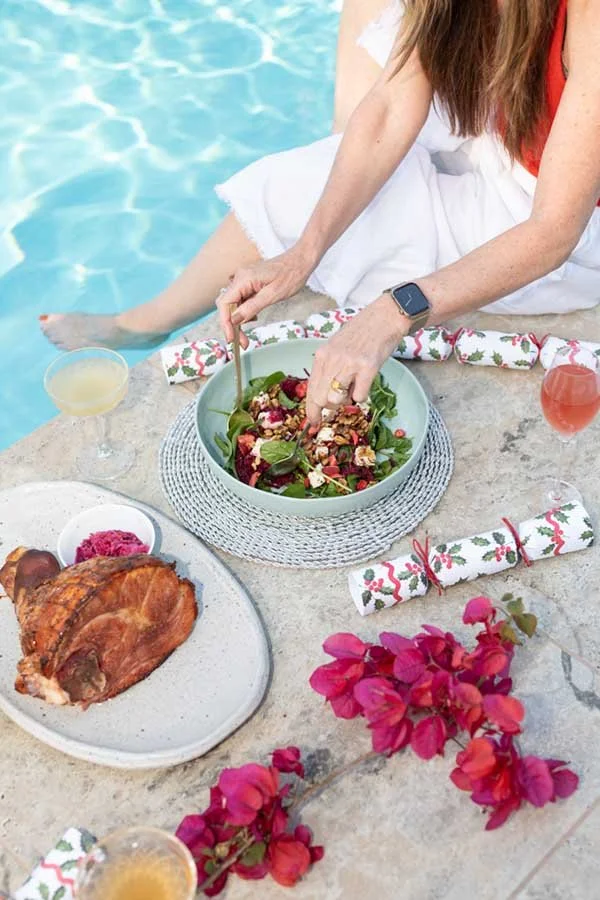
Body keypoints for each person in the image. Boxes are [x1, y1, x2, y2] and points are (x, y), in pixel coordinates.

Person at [41, 0, 600, 425]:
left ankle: (142, 324)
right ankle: (150, 319)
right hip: (506, 141)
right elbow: (387, 109)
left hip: (557, 233)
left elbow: (554, 231)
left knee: (300, 184)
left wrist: (392, 313)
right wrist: (302, 255)